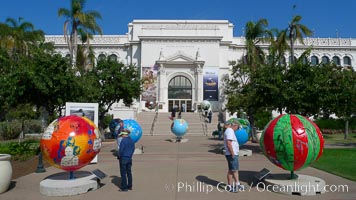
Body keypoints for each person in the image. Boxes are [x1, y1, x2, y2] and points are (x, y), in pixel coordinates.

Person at [223, 119, 244, 193]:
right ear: (235, 125)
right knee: (232, 170)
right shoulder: (230, 131)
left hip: (233, 153)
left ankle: (237, 183)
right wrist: (232, 153)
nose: (237, 129)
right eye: (238, 128)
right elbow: (229, 143)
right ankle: (229, 185)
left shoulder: (229, 131)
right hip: (232, 154)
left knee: (235, 169)